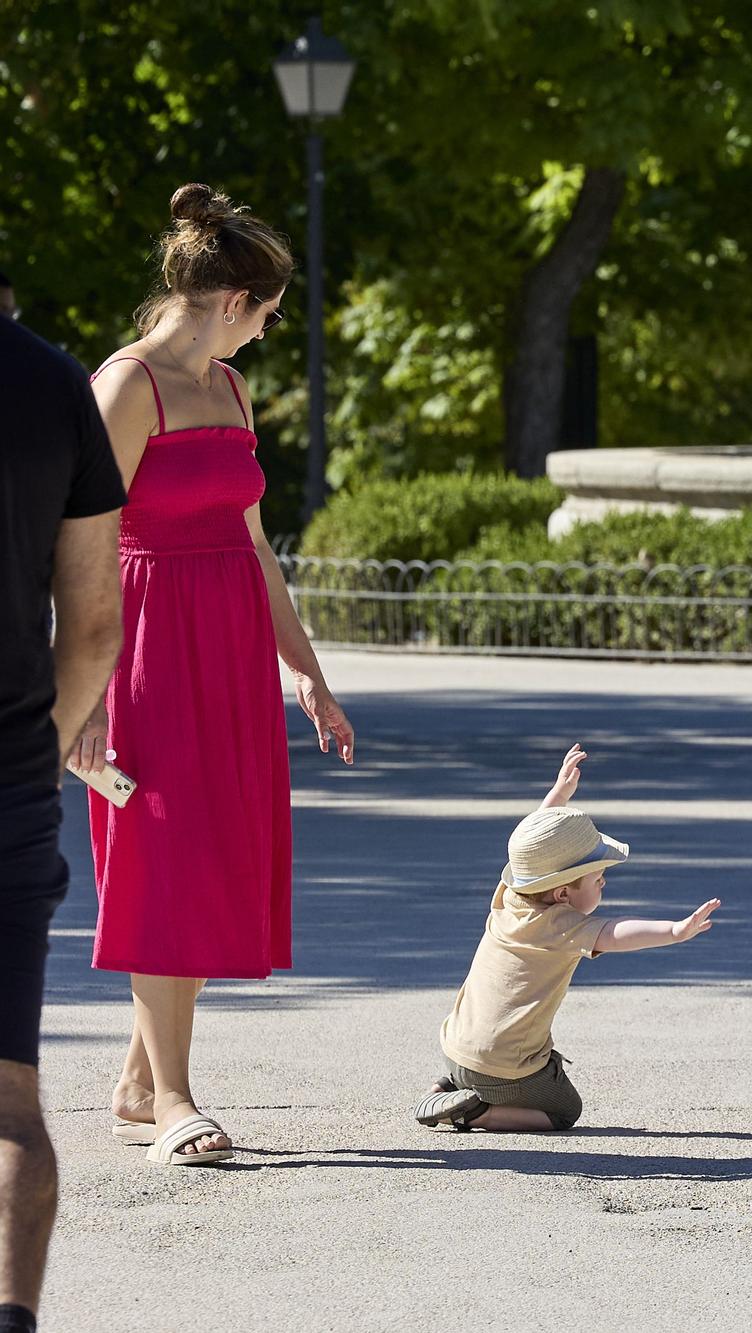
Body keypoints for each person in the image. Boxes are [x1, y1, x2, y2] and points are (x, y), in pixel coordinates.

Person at [78, 183, 357, 1167]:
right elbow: (81, 545)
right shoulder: (126, 387)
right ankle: (173, 1104)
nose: (270, 332)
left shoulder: (232, 391)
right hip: (146, 649)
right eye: (271, 314)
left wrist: (308, 676)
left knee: (198, 861)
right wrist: (85, 698)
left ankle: (139, 1077)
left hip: (227, 650)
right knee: (160, 863)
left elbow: (255, 548)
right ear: (234, 300)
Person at [0, 316, 127, 1333]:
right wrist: (38, 746)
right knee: (10, 1103)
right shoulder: (52, 384)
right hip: (7, 780)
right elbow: (92, 623)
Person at [416, 745, 721, 1132]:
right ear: (562, 894)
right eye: (597, 878)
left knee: (487, 1062)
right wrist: (676, 931)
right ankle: (475, 1111)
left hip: (453, 1048)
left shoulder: (510, 896)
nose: (604, 881)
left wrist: (559, 794)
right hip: (500, 1069)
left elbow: (532, 845)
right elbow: (616, 933)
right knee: (564, 1110)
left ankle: (446, 1087)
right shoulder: (561, 926)